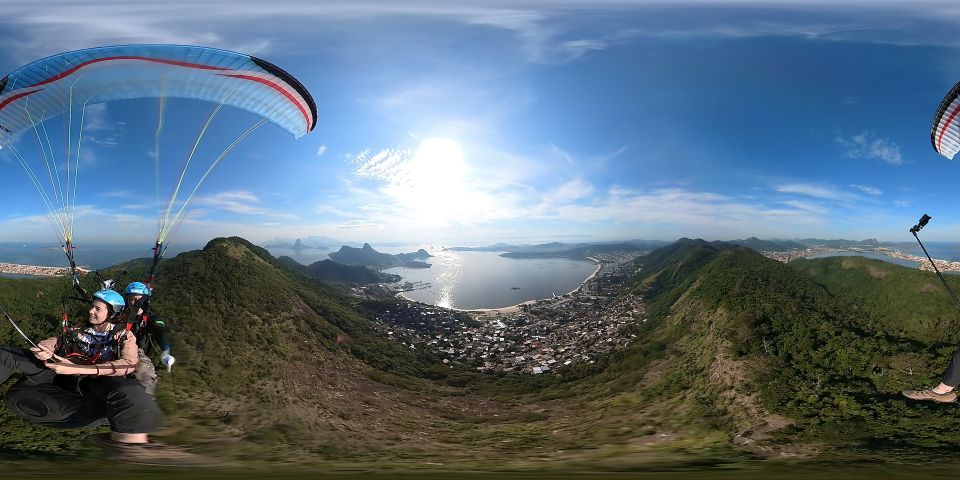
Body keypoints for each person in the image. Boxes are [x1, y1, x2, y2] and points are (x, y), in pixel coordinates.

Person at [0, 289, 204, 464]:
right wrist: (45, 347)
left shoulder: (124, 336)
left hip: (92, 382)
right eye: (92, 307)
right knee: (6, 354)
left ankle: (132, 446)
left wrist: (78, 369)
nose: (91, 311)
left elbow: (128, 364)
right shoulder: (80, 329)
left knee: (131, 391)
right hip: (60, 372)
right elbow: (58, 339)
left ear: (111, 313)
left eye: (98, 309)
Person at [120, 281, 174, 395]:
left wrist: (165, 350)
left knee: (146, 376)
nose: (135, 303)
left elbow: (160, 330)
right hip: (118, 348)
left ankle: (147, 399)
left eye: (138, 299)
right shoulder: (122, 314)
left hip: (138, 355)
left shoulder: (150, 317)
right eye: (131, 299)